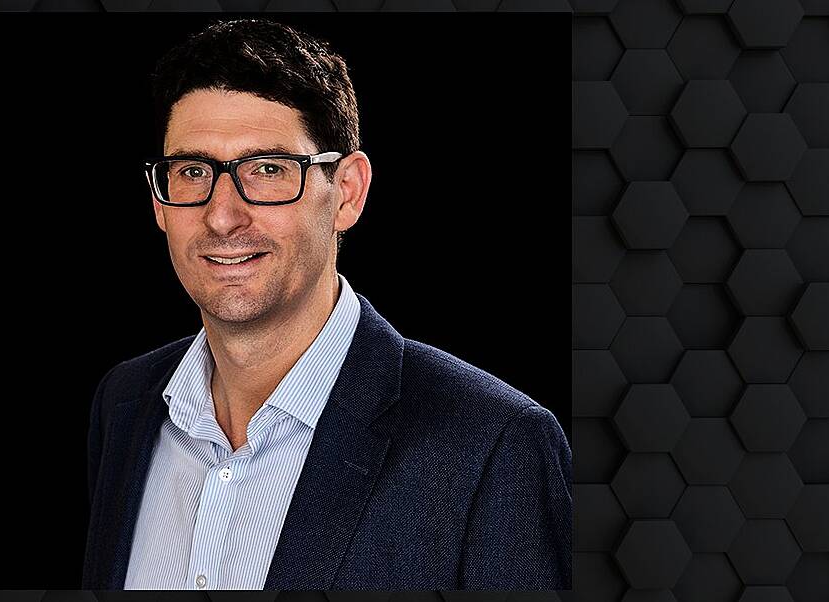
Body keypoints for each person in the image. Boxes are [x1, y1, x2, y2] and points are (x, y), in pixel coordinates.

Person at [82, 18, 571, 591]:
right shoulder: (125, 404)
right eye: (193, 172)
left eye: (267, 170)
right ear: (159, 203)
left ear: (348, 193)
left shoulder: (493, 444)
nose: (221, 216)